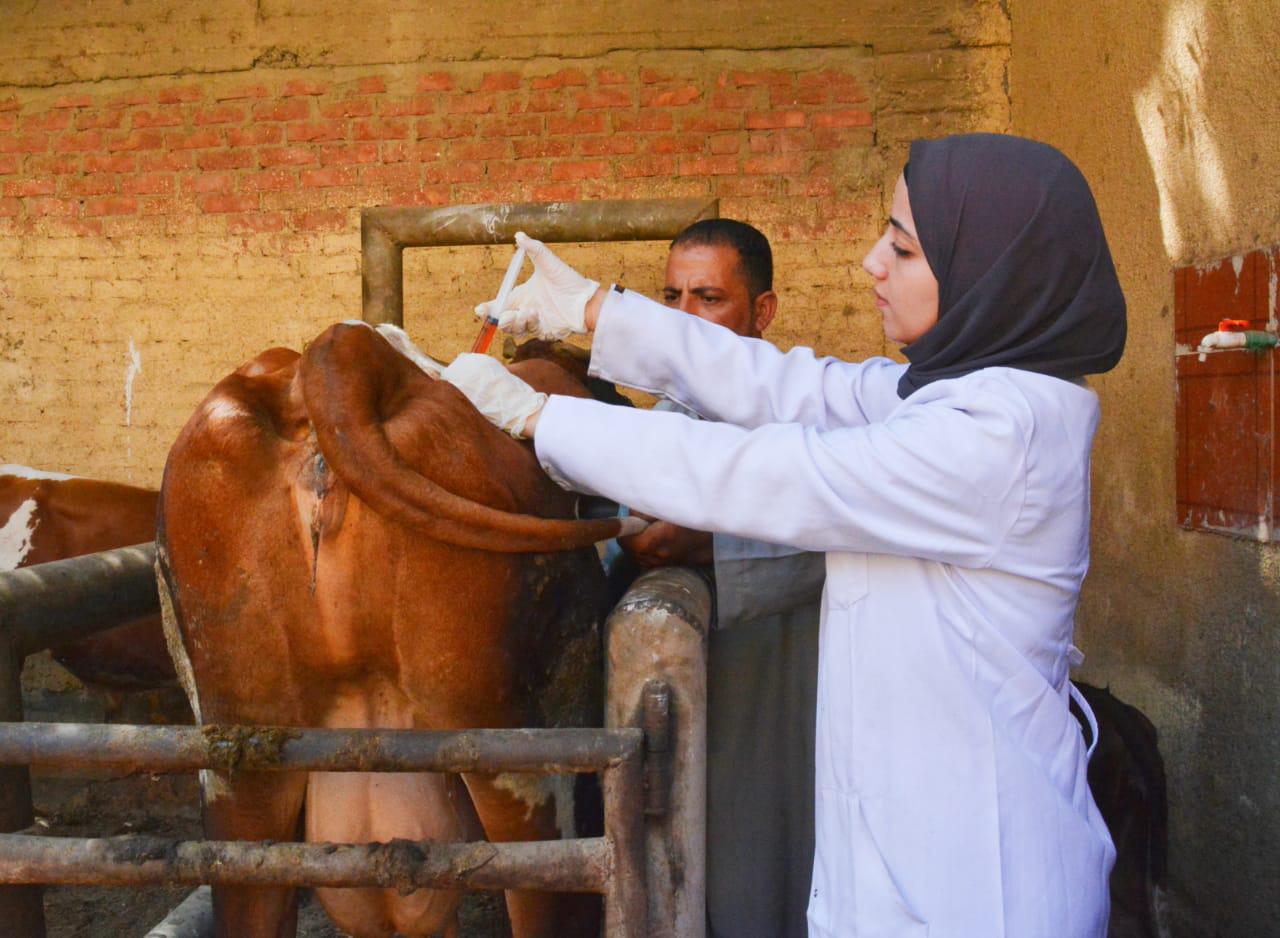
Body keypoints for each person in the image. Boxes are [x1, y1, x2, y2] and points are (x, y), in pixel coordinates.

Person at [445, 133, 1125, 937]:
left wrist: (542, 417)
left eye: (902, 249)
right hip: (907, 851)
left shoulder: (998, 438)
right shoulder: (953, 394)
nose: (872, 262)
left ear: (989, 272)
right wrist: (597, 309)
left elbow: (772, 471)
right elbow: (792, 386)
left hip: (981, 881)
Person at [616, 218, 822, 938]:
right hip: (674, 712)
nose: (682, 320)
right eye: (670, 297)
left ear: (760, 313)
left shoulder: (804, 419)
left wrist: (706, 549)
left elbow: (829, 535)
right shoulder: (655, 422)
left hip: (778, 686)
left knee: (772, 860)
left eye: (708, 298)